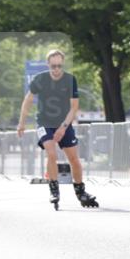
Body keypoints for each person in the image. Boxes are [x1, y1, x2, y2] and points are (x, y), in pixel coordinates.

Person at [17, 49, 98, 209]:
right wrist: (22, 123)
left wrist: (63, 127)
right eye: (53, 66)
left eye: (59, 66)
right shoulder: (40, 79)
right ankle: (54, 190)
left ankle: (81, 192)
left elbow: (74, 107)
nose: (56, 69)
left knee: (74, 159)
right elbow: (28, 100)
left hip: (64, 122)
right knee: (52, 154)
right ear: (48, 64)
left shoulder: (70, 80)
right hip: (44, 122)